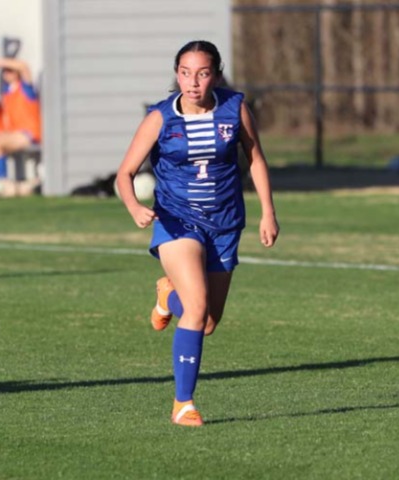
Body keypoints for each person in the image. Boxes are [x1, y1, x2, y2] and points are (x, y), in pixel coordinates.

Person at [116, 40, 279, 427]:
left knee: (206, 322)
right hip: (177, 220)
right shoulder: (160, 118)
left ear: (216, 76)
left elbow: (255, 158)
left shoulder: (234, 108)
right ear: (177, 75)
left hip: (224, 222)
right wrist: (135, 207)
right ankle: (183, 404)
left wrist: (268, 212)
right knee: (198, 306)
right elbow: (125, 173)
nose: (193, 82)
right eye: (185, 73)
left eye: (202, 74)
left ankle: (167, 294)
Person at [0, 57, 41, 196]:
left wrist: (0, 62)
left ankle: (3, 183)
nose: (6, 73)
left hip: (29, 133)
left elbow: (24, 66)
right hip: (12, 133)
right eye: (5, 71)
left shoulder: (25, 88)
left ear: (16, 73)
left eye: (10, 71)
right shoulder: (7, 92)